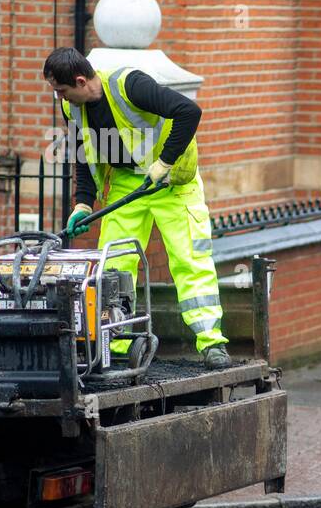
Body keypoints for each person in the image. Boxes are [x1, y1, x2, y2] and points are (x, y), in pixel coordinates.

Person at [44, 47, 230, 369]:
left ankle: (211, 343)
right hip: (128, 184)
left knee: (189, 259)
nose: (59, 97)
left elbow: (189, 112)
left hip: (172, 183)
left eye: (61, 90)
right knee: (114, 265)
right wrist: (83, 203)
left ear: (78, 80)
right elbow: (83, 155)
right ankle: (115, 344)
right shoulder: (71, 107)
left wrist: (165, 162)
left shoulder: (130, 85)